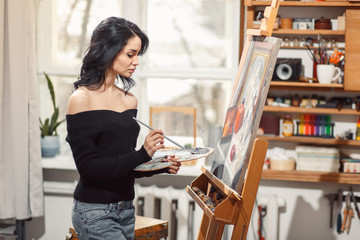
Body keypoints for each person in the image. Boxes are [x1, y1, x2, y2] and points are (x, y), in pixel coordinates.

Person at [65, 17, 181, 240]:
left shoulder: (129, 101)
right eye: (130, 54)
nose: (136, 62)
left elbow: (122, 164)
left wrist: (159, 166)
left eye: (138, 55)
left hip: (126, 210)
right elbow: (90, 169)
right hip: (94, 213)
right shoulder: (81, 99)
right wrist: (142, 153)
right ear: (109, 50)